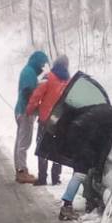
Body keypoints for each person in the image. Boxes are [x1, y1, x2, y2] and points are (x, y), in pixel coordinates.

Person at [56, 102, 112, 221]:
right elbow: (106, 145)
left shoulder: (107, 108)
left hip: (75, 129)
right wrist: (100, 166)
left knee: (79, 170)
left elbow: (81, 111)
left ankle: (73, 203)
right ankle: (66, 207)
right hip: (83, 138)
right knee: (80, 174)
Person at [25, 53, 70, 186]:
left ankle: (42, 178)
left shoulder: (48, 77)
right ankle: (56, 178)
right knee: (58, 148)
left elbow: (36, 96)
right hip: (60, 120)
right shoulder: (69, 81)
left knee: (42, 147)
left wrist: (30, 110)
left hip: (45, 119)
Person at [13, 50, 49, 183]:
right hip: (25, 111)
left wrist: (39, 84)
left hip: (20, 110)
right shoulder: (29, 72)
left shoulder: (28, 71)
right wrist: (35, 108)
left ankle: (19, 170)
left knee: (19, 142)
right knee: (24, 143)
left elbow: (30, 87)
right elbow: (29, 91)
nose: (42, 67)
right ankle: (22, 172)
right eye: (41, 64)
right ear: (37, 62)